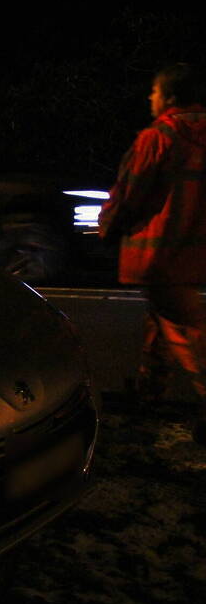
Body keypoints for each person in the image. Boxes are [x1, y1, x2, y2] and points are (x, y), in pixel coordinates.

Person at [99, 63, 206, 441]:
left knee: (186, 332)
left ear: (170, 98)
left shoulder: (157, 137)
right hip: (195, 254)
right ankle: (148, 396)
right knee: (160, 327)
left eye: (155, 91)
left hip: (161, 256)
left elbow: (130, 192)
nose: (150, 97)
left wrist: (107, 225)